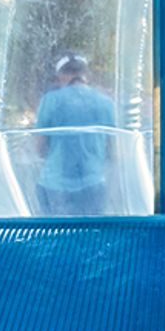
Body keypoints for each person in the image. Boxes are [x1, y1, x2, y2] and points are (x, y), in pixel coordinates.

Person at [27, 47, 121, 219]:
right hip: (93, 183)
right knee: (92, 232)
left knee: (57, 232)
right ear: (86, 74)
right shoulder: (106, 103)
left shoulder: (50, 100)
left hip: (54, 184)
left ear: (60, 75)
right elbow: (113, 151)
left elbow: (40, 149)